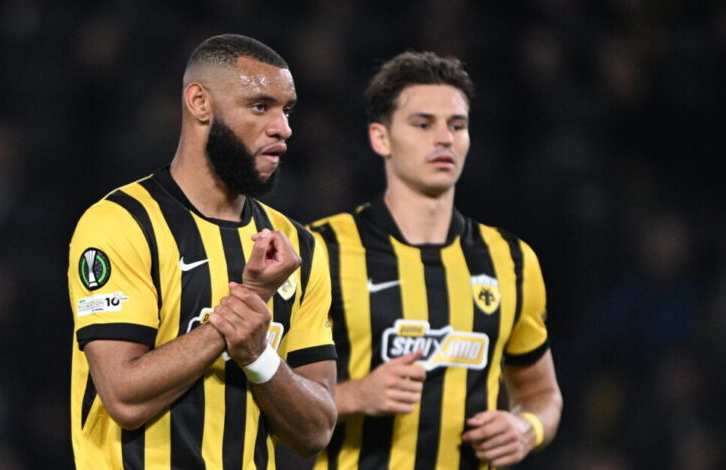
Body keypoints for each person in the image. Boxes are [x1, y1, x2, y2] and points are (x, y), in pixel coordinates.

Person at [67, 34, 337, 469]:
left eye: (286, 110)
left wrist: (259, 357)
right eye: (260, 106)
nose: (283, 128)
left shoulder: (296, 245)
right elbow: (123, 397)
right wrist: (243, 308)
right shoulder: (122, 223)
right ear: (200, 103)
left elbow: (316, 431)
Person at [309, 51, 563, 469]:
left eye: (457, 125)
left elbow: (541, 394)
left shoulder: (512, 260)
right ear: (381, 138)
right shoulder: (322, 249)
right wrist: (354, 396)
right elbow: (266, 388)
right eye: (423, 124)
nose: (444, 138)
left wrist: (526, 428)